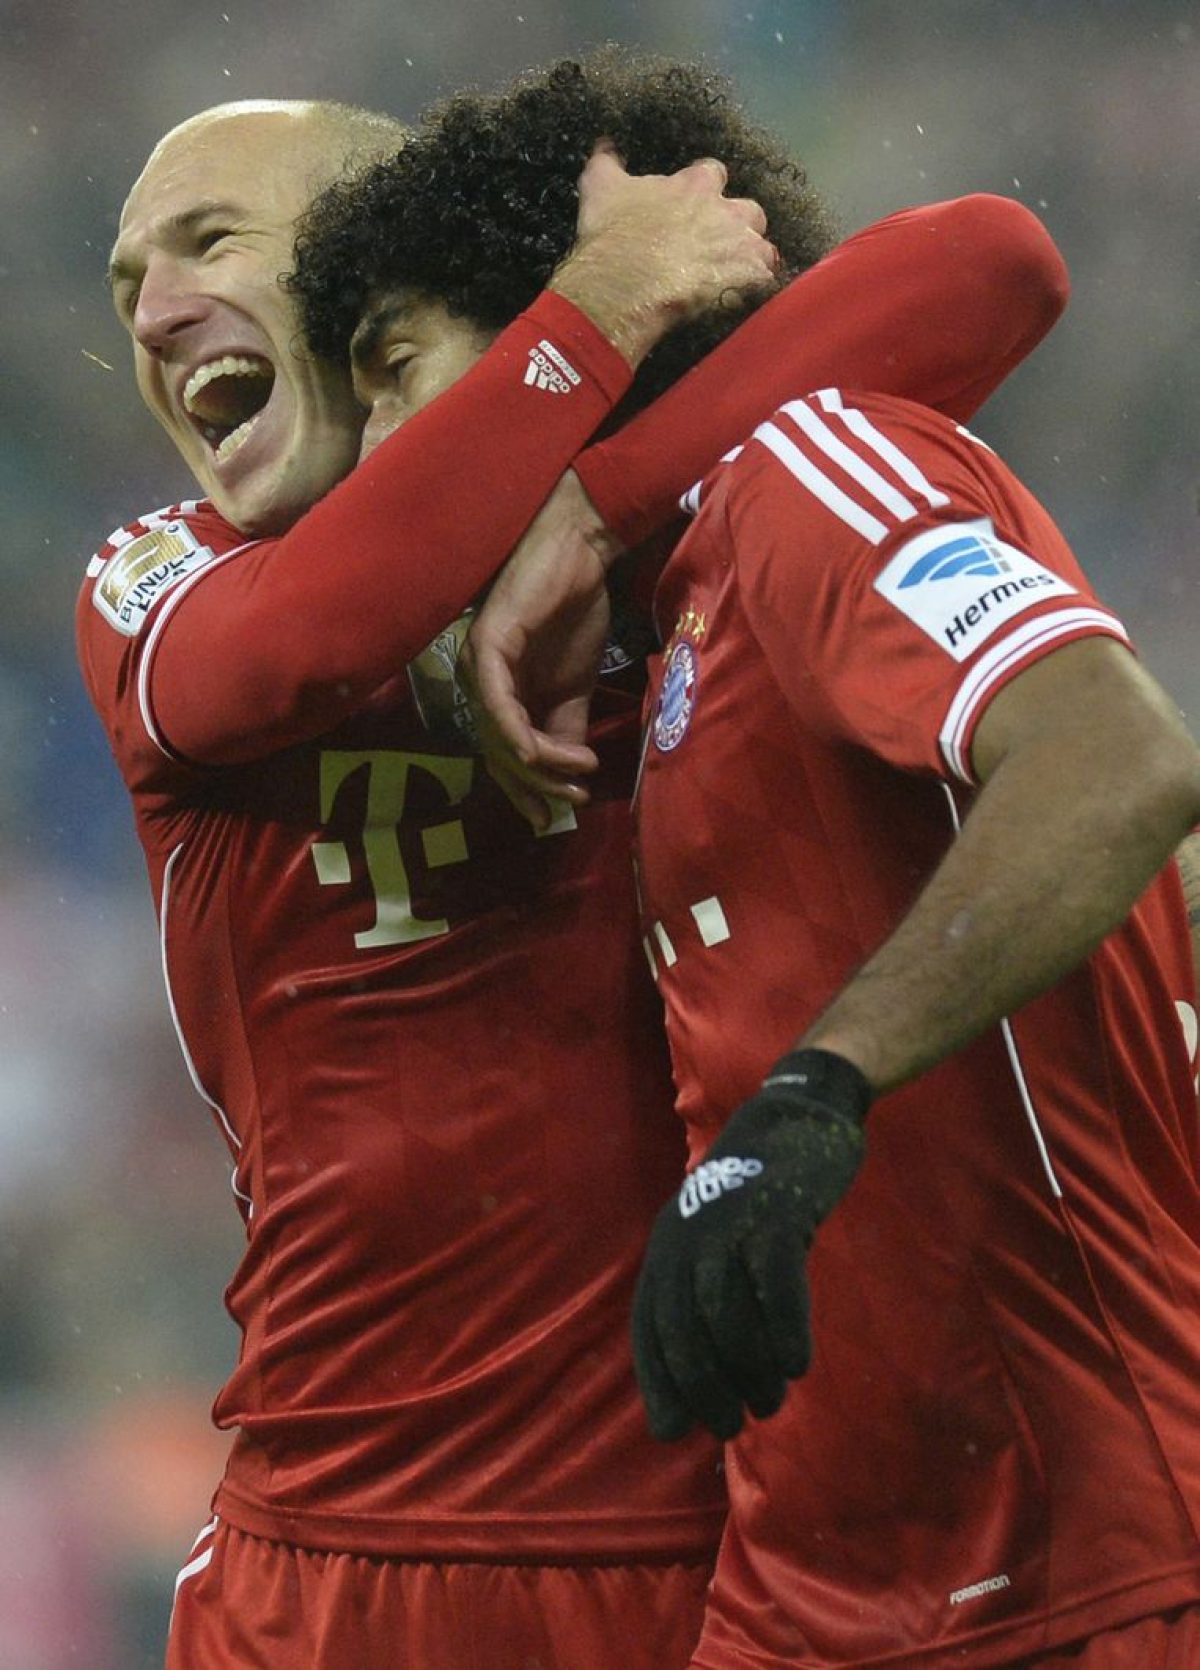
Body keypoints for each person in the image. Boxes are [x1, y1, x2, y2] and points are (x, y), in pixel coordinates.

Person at [79, 53, 1068, 1669]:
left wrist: (591, 506)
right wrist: (595, 315)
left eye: (209, 240)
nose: (155, 310)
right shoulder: (161, 583)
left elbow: (995, 265)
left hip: (708, 1550)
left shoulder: (675, 532)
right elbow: (314, 635)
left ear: (370, 270)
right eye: (128, 286)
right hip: (330, 1555)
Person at [455, 199, 1200, 1670]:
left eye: (408, 370)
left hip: (1080, 1569)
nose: (391, 450)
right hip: (807, 1589)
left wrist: (822, 1081)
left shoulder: (808, 474)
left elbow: (1115, 759)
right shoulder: (653, 651)